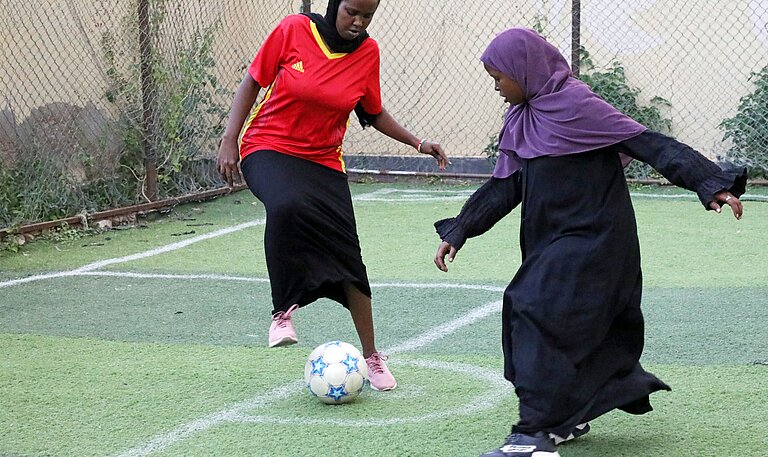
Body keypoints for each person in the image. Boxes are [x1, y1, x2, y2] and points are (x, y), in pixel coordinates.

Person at [433, 28, 746, 457]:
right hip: (551, 241)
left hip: (597, 239)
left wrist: (708, 183)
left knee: (532, 306)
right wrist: (461, 228)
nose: (497, 87)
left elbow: (650, 144)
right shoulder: (520, 121)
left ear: (527, 70)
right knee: (563, 323)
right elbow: (506, 186)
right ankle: (566, 414)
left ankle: (534, 435)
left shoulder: (579, 106)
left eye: (501, 77)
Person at [217, 0, 449, 392]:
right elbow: (253, 80)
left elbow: (373, 113)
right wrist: (229, 138)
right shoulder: (293, 29)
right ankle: (282, 312)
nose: (358, 22)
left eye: (367, 16)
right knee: (286, 205)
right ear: (334, 4)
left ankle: (372, 356)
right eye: (351, 12)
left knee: (350, 259)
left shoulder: (367, 53)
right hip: (267, 147)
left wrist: (418, 142)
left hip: (324, 162)